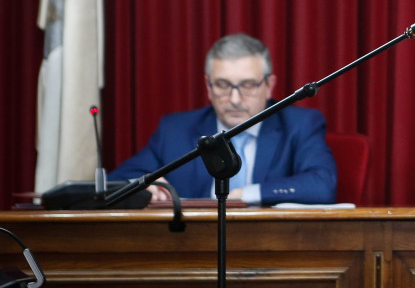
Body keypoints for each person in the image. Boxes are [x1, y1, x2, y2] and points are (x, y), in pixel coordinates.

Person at [111, 33, 337, 204]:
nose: (235, 99)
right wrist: (144, 186)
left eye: (248, 85)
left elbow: (322, 184)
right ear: (208, 87)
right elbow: (118, 180)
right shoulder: (175, 129)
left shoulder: (300, 125)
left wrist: (243, 195)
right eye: (223, 85)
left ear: (269, 86)